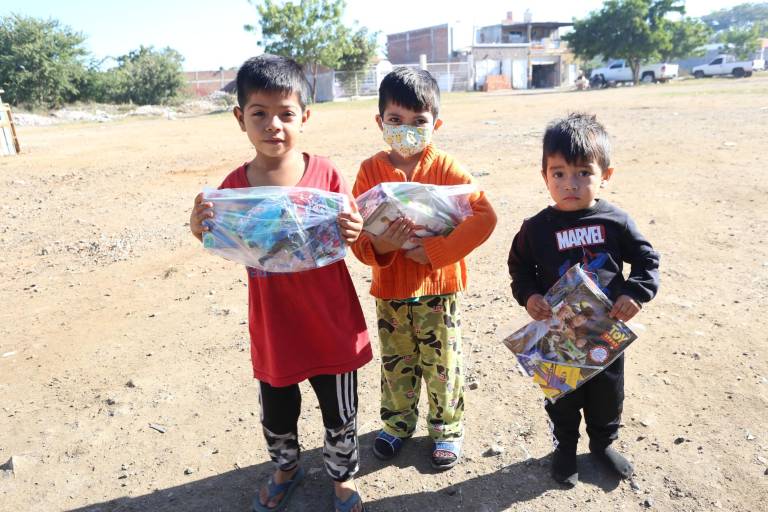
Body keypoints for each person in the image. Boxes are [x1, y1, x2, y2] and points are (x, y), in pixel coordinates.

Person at [189, 55, 371, 512]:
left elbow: (351, 229)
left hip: (332, 322)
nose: (274, 125)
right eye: (260, 114)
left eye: (286, 114)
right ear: (240, 119)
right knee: (276, 411)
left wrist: (354, 229)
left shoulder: (326, 174)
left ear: (305, 117)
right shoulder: (234, 188)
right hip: (274, 327)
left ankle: (343, 478)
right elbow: (217, 236)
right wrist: (199, 225)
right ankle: (286, 467)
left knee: (340, 411)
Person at [351, 67, 497, 470]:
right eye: (396, 121)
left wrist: (437, 251)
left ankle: (447, 428)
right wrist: (382, 245)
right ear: (380, 122)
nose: (407, 130)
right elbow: (357, 236)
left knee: (442, 363)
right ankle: (397, 425)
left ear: (436, 124)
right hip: (391, 290)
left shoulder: (448, 168)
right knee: (397, 361)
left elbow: (484, 216)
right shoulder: (369, 172)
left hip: (439, 288)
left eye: (419, 121)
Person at [507, 112, 660, 486]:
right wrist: (530, 297)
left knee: (607, 394)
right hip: (559, 335)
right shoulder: (535, 229)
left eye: (583, 173)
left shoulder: (615, 221)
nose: (569, 184)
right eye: (558, 173)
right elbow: (520, 268)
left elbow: (646, 260)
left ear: (605, 174)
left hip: (606, 333)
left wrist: (633, 293)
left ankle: (603, 443)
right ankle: (564, 449)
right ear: (544, 174)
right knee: (563, 398)